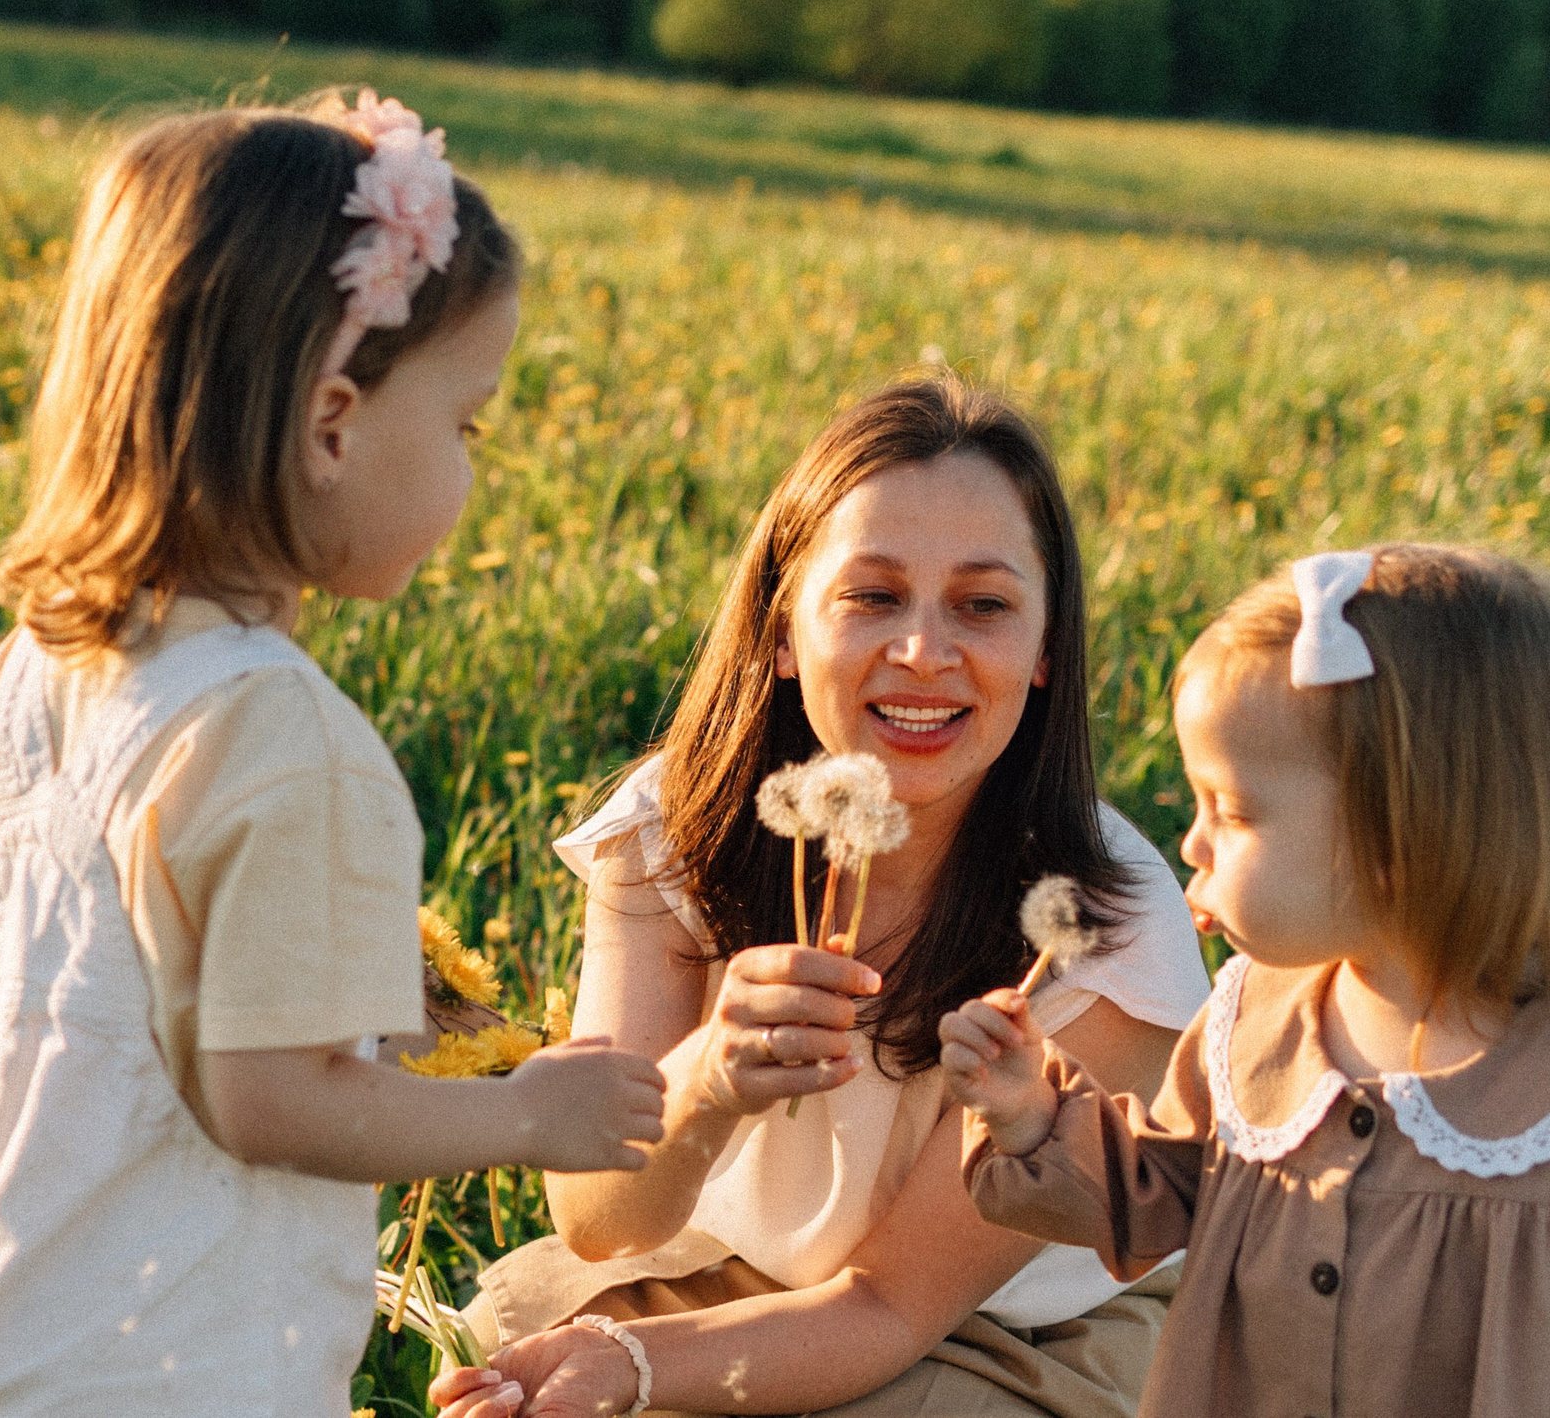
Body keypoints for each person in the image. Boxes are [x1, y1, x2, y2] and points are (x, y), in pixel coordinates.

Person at [0, 92, 668, 1418]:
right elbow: (273, 1104)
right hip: (174, 1356)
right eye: (466, 425)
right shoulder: (293, 739)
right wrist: (529, 1112)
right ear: (332, 423)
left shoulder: (38, 662)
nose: (471, 467)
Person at [435, 377, 1212, 1418]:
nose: (924, 652)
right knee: (504, 1371)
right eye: (872, 596)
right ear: (782, 632)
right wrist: (705, 1082)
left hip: (1004, 1332)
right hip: (738, 1274)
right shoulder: (671, 831)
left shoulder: (1100, 926)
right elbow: (599, 1222)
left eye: (983, 605)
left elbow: (890, 1306)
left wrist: (632, 1362)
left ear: (1044, 650)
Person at [944, 544, 1550, 1418]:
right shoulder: (1251, 1022)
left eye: (1231, 811)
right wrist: (1031, 1113)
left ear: (1397, 835)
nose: (1191, 843)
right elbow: (1162, 1192)